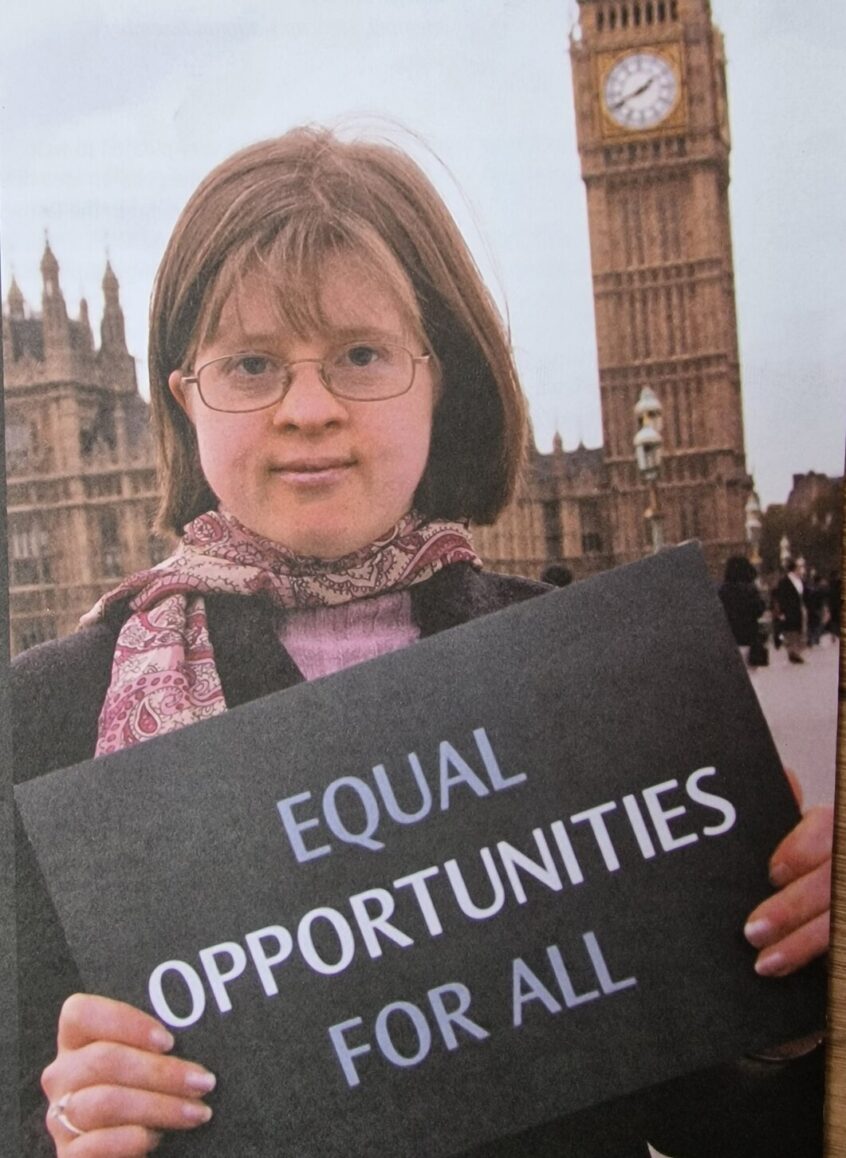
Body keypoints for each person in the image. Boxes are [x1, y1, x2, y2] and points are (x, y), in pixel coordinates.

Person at [12, 127, 832, 1157]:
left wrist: (796, 1002)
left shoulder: (594, 674)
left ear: (440, 379)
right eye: (251, 364)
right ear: (185, 399)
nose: (307, 410)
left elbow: (726, 1110)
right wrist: (68, 1128)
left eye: (360, 355)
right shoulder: (45, 719)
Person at [717, 555, 765, 666]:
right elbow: (759, 610)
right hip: (749, 637)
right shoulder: (750, 589)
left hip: (729, 640)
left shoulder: (723, 590)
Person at [774, 558, 809, 664]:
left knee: (798, 630)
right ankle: (793, 652)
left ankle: (794, 652)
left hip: (798, 609)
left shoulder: (800, 581)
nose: (801, 570)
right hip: (789, 610)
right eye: (799, 568)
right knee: (791, 631)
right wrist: (782, 611)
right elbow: (781, 597)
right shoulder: (785, 582)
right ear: (794, 569)